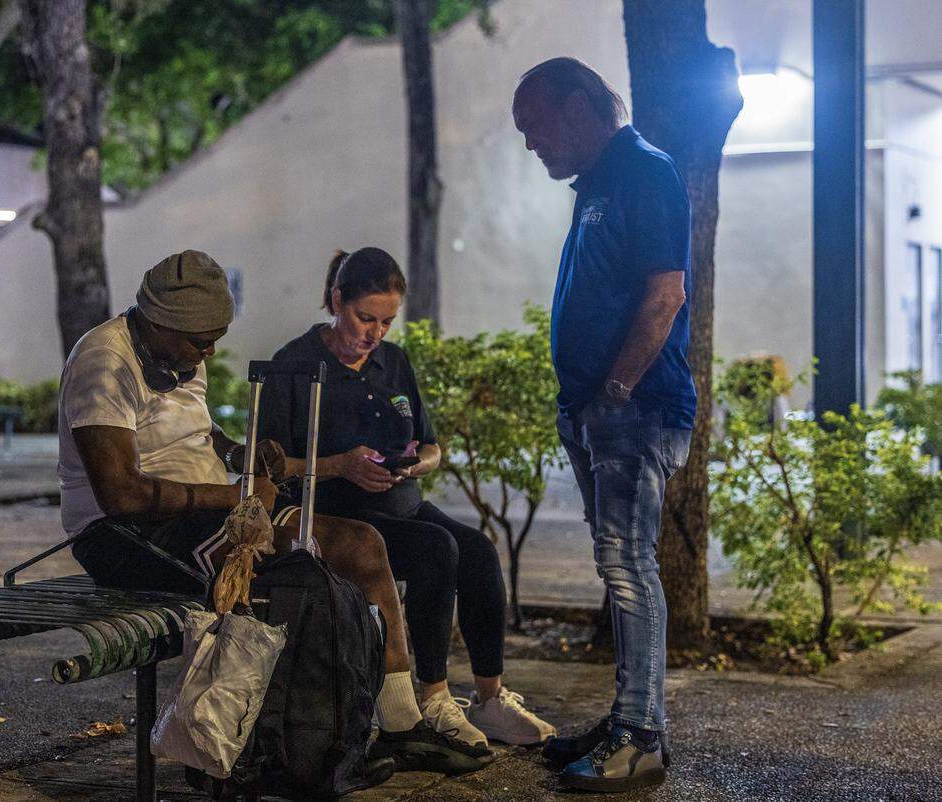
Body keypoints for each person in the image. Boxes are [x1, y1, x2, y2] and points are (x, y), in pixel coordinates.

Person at [57, 250, 492, 778]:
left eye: (217, 335)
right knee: (297, 575)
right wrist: (236, 498)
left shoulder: (177, 354)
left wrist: (239, 454)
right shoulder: (104, 361)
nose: (211, 351)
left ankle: (399, 724)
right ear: (159, 322)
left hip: (199, 512)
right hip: (126, 536)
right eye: (201, 340)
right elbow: (121, 494)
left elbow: (194, 434)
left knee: (360, 545)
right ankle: (284, 749)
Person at [257, 247, 557, 750]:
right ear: (336, 300)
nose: (375, 334)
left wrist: (418, 463)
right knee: (436, 548)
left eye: (387, 322)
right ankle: (434, 698)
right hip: (340, 515)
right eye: (364, 318)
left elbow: (433, 444)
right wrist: (339, 464)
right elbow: (269, 466)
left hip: (403, 501)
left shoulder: (393, 361)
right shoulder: (296, 365)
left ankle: (490, 699)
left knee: (479, 552)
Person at [512, 58, 694, 793]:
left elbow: (665, 295)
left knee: (627, 565)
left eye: (538, 125)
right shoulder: (599, 181)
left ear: (584, 106)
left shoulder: (644, 171)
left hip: (633, 409)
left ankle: (641, 737)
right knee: (615, 566)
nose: (532, 144)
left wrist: (616, 388)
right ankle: (626, 718)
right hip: (599, 409)